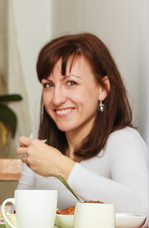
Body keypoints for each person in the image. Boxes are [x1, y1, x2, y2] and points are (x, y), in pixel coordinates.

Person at [16, 33, 148, 218]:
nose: (56, 99)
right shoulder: (38, 141)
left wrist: (62, 167)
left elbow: (143, 209)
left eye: (71, 83)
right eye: (48, 85)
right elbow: (17, 212)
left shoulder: (123, 140)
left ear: (103, 88)